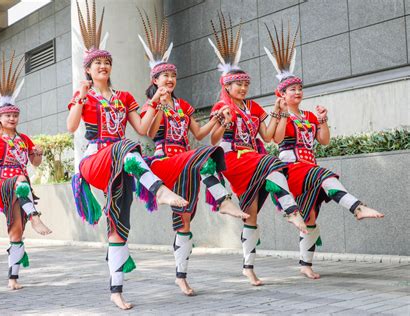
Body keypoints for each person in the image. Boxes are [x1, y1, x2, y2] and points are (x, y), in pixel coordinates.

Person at [67, 1, 188, 310]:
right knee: (123, 146)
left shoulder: (125, 98)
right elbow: (71, 127)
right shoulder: (85, 95)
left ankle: (116, 290)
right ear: (89, 71)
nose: (103, 67)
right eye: (97, 64)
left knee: (119, 224)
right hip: (95, 160)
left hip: (124, 161)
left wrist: (159, 103)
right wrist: (80, 97)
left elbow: (145, 130)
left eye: (107, 62)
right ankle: (159, 191)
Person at [137, 8, 249, 296]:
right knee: (202, 159)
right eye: (164, 76)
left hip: (185, 160)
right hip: (164, 161)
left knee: (184, 219)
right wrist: (158, 105)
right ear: (155, 80)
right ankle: (222, 200)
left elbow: (199, 135)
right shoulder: (153, 104)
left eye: (173, 76)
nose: (170, 79)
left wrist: (219, 119)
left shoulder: (184, 106)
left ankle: (181, 275)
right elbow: (148, 133)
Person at [264, 22, 384, 279]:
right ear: (281, 94)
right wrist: (283, 114)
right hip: (293, 168)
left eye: (299, 88)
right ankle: (357, 207)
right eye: (291, 90)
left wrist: (323, 120)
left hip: (310, 165)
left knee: (311, 221)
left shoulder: (308, 114)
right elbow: (274, 138)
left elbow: (324, 141)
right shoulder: (280, 113)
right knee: (326, 176)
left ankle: (305, 264)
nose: (297, 92)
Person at [208, 13, 308, 286]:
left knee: (251, 213)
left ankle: (248, 267)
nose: (242, 87)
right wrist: (223, 121)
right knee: (271, 163)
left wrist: (279, 113)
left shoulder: (252, 107)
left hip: (253, 158)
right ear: (226, 85)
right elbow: (213, 141)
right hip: (234, 159)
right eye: (237, 84)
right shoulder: (221, 106)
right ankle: (290, 210)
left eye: (245, 84)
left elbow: (268, 135)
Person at [0, 51, 52, 291]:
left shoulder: (24, 138)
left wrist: (37, 154)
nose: (12, 118)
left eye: (15, 115)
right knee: (19, 177)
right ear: (0, 118)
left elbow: (35, 164)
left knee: (16, 230)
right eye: (8, 115)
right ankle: (36, 215)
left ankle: (13, 278)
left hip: (20, 189)